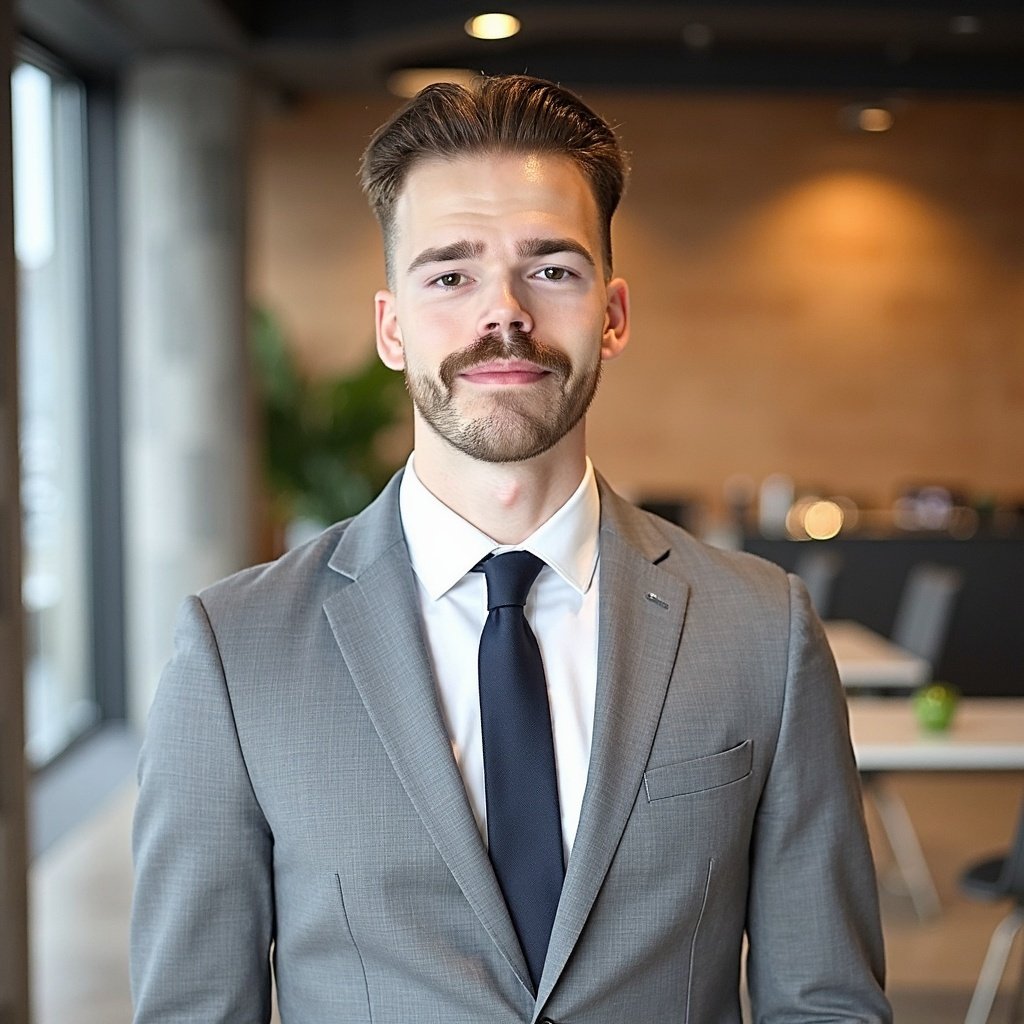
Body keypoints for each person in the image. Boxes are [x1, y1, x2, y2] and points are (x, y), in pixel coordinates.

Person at [131, 74, 891, 1023]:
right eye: (451, 274)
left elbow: (826, 1004)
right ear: (392, 327)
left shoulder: (762, 631)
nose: (506, 313)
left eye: (552, 268)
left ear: (612, 314)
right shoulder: (235, 650)